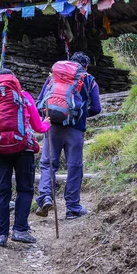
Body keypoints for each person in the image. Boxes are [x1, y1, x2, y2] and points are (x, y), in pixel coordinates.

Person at [0, 69, 50, 247]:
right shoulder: (23, 97)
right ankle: (20, 230)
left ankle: (1, 235)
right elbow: (39, 127)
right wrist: (47, 123)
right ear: (14, 80)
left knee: (2, 191)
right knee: (24, 189)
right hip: (23, 149)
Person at [35, 51, 101, 219]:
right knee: (74, 167)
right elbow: (97, 108)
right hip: (76, 130)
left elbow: (40, 102)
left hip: (52, 127)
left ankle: (45, 198)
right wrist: (81, 114)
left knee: (48, 164)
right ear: (85, 66)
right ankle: (72, 208)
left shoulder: (54, 77)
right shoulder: (88, 79)